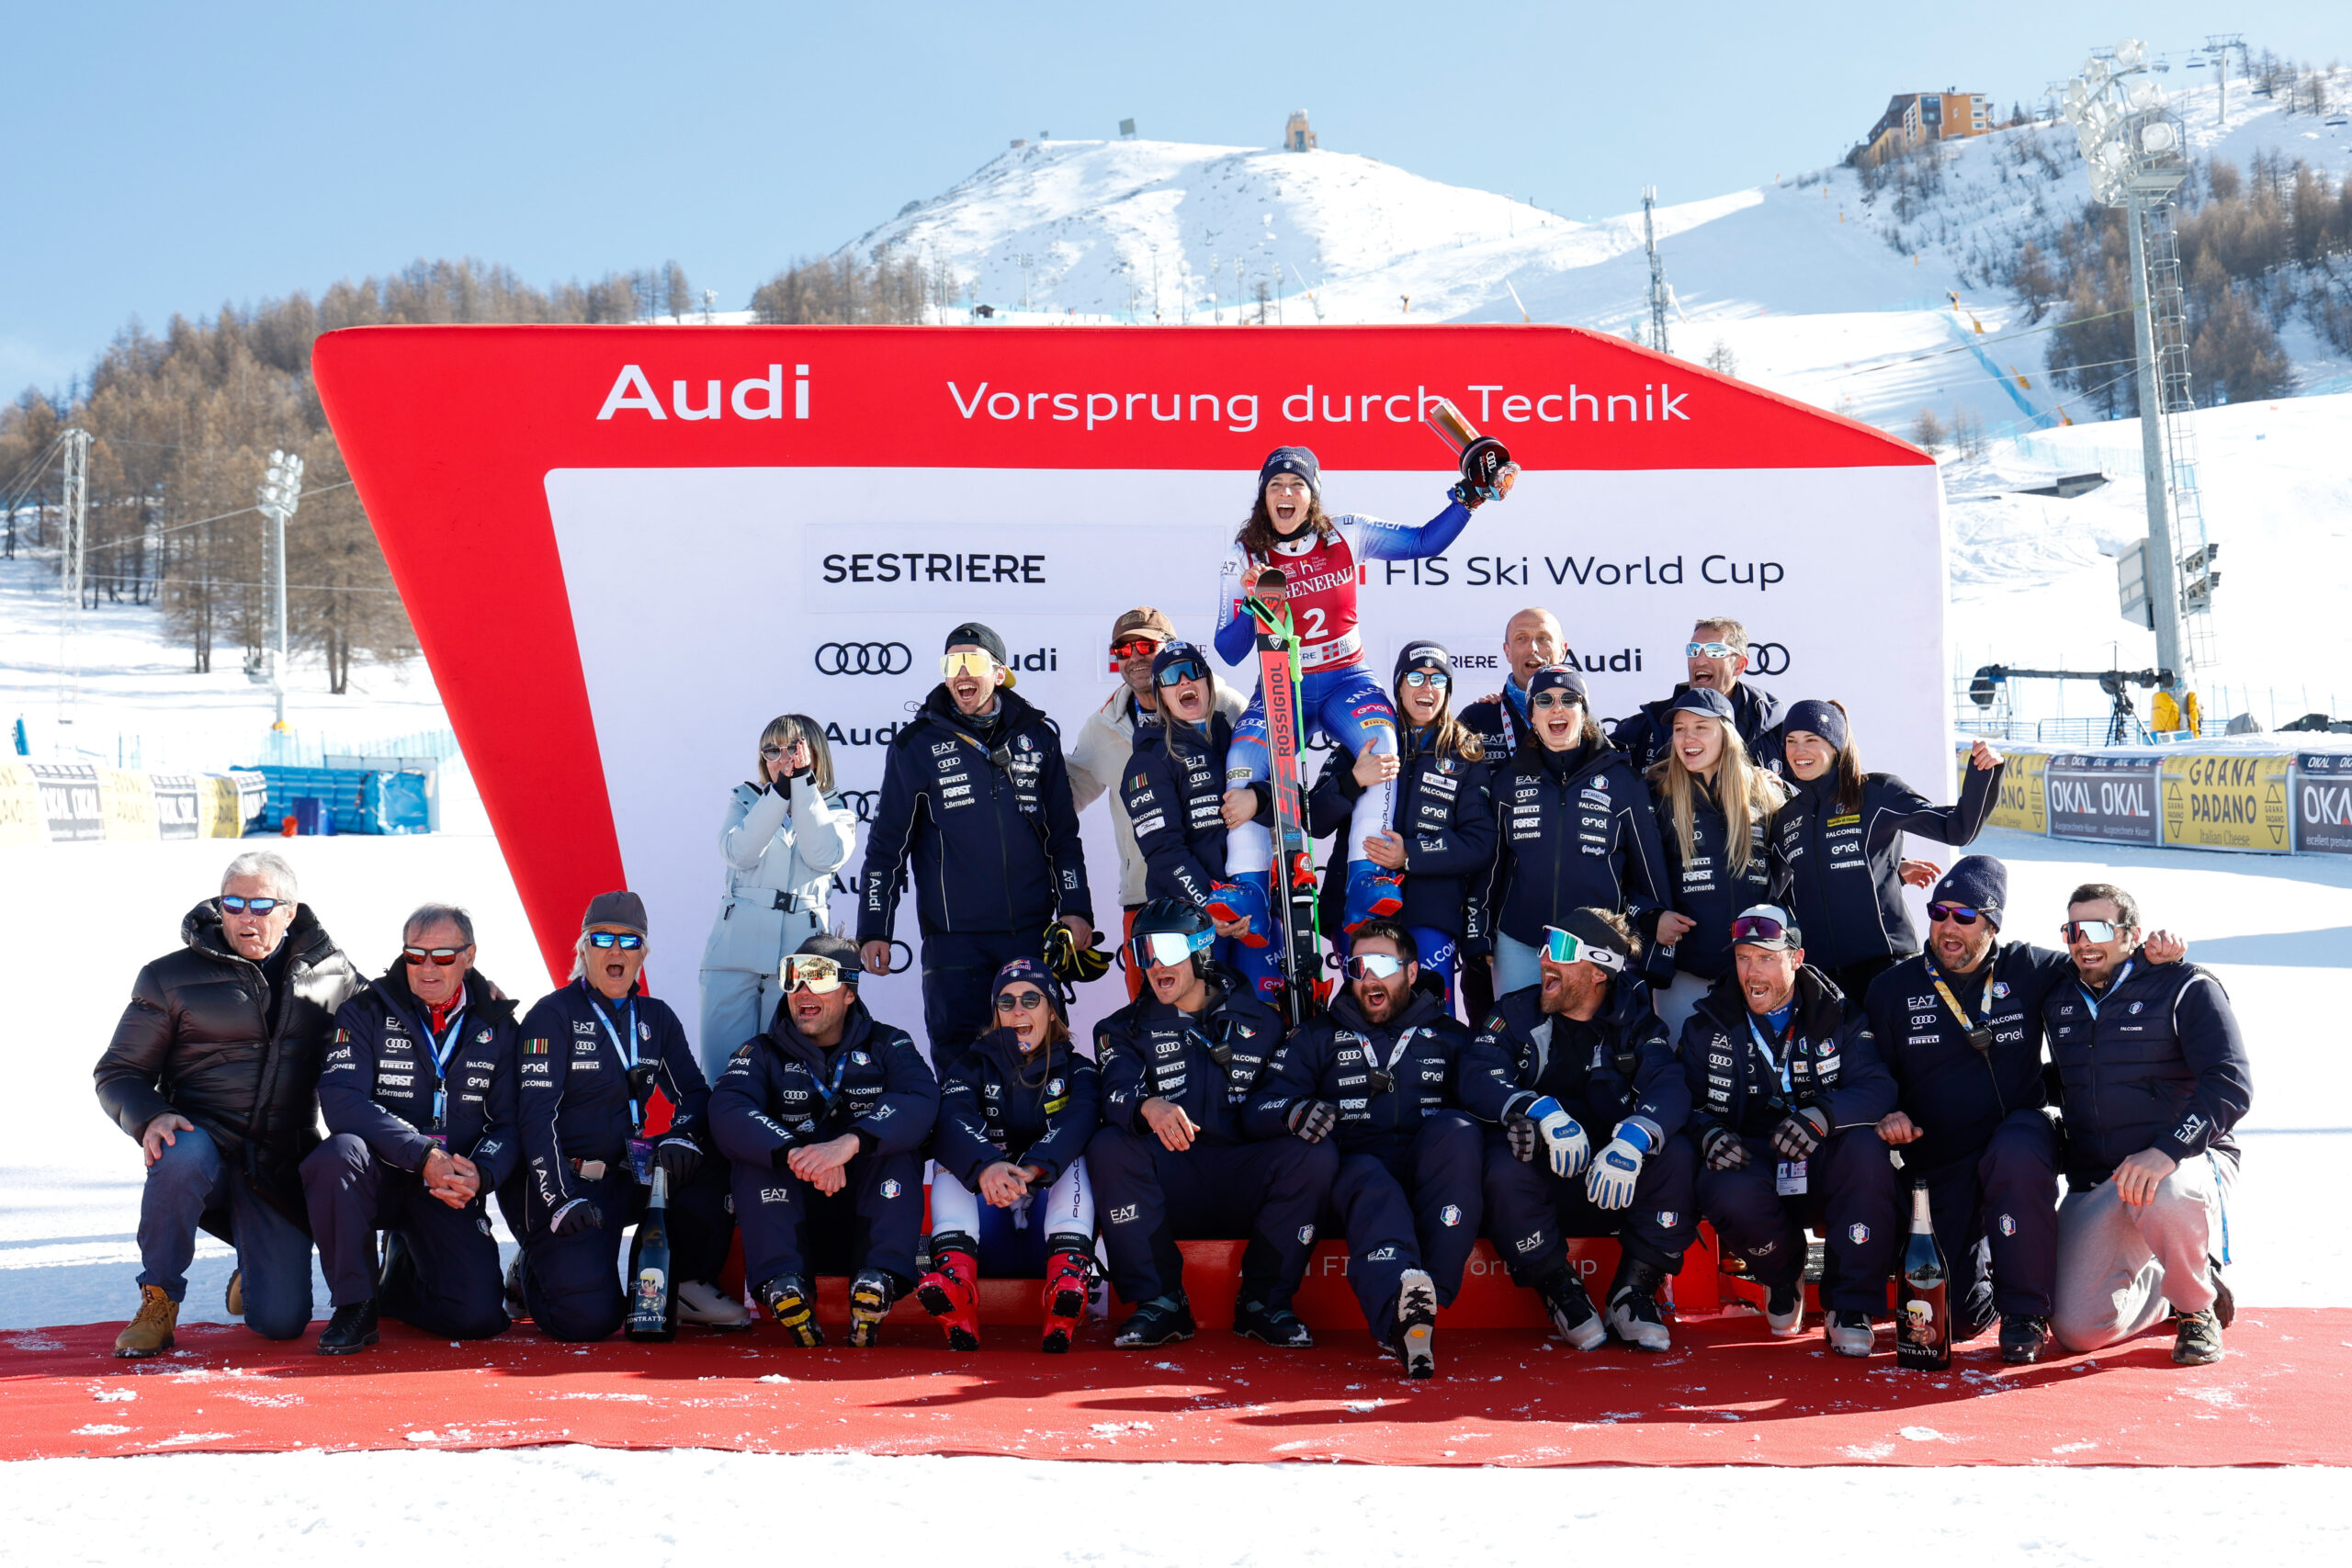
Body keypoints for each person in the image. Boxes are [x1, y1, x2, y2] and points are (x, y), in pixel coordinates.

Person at [1865, 858, 2188, 1364]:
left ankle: (2026, 1312)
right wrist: (1887, 1111)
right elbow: (1871, 1070)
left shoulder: (2031, 968)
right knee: (1959, 1320)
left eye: (1964, 916)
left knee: (2017, 1148)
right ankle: (2002, 1264)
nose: (1948, 926)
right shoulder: (1892, 988)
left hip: (2019, 1139)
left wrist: (2154, 956)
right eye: (1939, 912)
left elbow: (2100, 964)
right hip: (1942, 1154)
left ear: (1992, 924)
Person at [1215, 445, 1510, 936]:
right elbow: (1229, 650)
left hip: (1345, 679)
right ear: (1263, 496)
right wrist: (1251, 603)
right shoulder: (1243, 554)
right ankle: (1248, 887)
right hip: (1283, 687)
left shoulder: (1344, 533)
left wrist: (1469, 499)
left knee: (1382, 744)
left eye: (1297, 485)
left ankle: (1366, 879)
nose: (1286, 494)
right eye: (1275, 485)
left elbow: (1422, 543)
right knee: (1242, 760)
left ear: (1312, 495)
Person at [99, 852, 364, 1357]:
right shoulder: (168, 978)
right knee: (177, 1152)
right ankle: (158, 1301)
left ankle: (255, 1260)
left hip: (278, 1162)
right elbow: (118, 1071)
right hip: (204, 1147)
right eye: (233, 904)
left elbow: (391, 1019)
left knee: (281, 1323)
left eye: (261, 905)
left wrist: (474, 994)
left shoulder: (331, 974)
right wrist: (151, 1116)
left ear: (289, 911)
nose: (246, 916)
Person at [1086, 898, 1339, 1348]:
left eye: (1167, 948)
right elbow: (1114, 1091)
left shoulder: (1263, 1020)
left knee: (1313, 1152)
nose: (1155, 964)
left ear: (1201, 950)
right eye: (1144, 951)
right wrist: (1148, 1106)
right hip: (1171, 1182)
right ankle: (1160, 1302)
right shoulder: (1120, 1028)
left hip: (1243, 1177)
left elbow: (1269, 1102)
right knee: (1109, 1144)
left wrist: (1291, 1112)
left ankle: (1264, 1303)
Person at [1242, 922, 1482, 1378]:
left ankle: (1427, 1294)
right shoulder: (1316, 1035)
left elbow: (1487, 1101)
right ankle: (1401, 1306)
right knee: (1368, 1175)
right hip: (1354, 1179)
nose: (1369, 977)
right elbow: (1257, 1107)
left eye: (1382, 965)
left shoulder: (1452, 1036)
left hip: (1430, 1178)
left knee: (1460, 1129)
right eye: (1357, 966)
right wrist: (1293, 1111)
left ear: (1411, 972)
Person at [858, 621, 1095, 1071]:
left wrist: (1076, 907)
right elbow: (887, 846)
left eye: (972, 662)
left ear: (1000, 673)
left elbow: (1063, 835)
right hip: (954, 943)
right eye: (951, 664)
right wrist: (874, 928)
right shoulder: (916, 744)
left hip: (1029, 935)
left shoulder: (1038, 737)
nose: (962, 674)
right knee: (960, 1066)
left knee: (1040, 1060)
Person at [1460, 909, 1697, 1352]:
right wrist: (1536, 1109)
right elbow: (1476, 1073)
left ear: (1599, 971)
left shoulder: (1637, 1021)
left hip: (1616, 1184)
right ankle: (1559, 1287)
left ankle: (1635, 1291)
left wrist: (1633, 1140)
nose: (1545, 957)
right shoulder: (1515, 1011)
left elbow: (1669, 1085)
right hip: (1544, 1190)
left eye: (1562, 948)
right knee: (1503, 1156)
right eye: (1546, 944)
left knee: (1677, 1152)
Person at [513, 892, 739, 1342]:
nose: (615, 950)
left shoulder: (656, 1017)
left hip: (629, 1173)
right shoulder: (552, 1016)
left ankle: (684, 1283)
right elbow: (535, 1119)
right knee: (589, 1321)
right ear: (583, 949)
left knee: (716, 1144)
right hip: (568, 1184)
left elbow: (694, 1094)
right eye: (602, 939)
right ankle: (527, 1271)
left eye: (629, 941)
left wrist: (681, 1135)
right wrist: (559, 1200)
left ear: (642, 954)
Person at [1680, 903, 1900, 1357]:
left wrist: (1821, 1116)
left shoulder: (1839, 1013)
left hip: (1823, 1158)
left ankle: (1851, 1304)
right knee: (1720, 1183)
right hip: (1753, 1157)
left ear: (1796, 959)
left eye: (1766, 957)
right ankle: (1782, 1272)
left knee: (1866, 1147)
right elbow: (1684, 1101)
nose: (1751, 971)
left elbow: (1878, 1086)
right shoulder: (1705, 1024)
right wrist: (1707, 1133)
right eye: (1743, 957)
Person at [2042, 884, 2249, 1365]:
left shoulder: (2184, 984)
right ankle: (2167, 1290)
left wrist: (2167, 1150)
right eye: (2072, 930)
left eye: (2097, 928)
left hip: (2183, 1161)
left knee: (2166, 1189)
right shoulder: (2058, 993)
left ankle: (2196, 1308)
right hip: (2101, 1179)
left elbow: (2231, 1082)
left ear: (2132, 935)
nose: (2082, 941)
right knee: (2077, 1329)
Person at [300, 903, 518, 1354]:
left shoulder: (498, 1024)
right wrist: (421, 1153)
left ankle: (396, 1284)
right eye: (415, 955)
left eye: (442, 956)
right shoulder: (365, 1010)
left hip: (447, 1184)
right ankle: (355, 1304)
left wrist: (480, 1173)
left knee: (479, 1318)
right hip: (377, 1174)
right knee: (335, 1156)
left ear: (469, 956)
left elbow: (509, 1122)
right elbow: (341, 1099)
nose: (426, 968)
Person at [710, 933, 940, 1347]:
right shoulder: (760, 1051)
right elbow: (728, 1109)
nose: (802, 991)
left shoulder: (888, 1043)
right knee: (754, 1154)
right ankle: (785, 1286)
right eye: (793, 978)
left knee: (901, 1147)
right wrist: (796, 1153)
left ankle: (878, 1281)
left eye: (817, 978)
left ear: (850, 992)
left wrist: (850, 1143)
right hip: (790, 1219)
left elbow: (921, 1099)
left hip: (867, 1219)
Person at [915, 957, 1099, 1353]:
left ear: (1052, 1011)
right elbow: (951, 1118)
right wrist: (987, 1166)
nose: (1018, 1010)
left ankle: (1067, 1283)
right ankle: (957, 1286)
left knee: (1080, 1152)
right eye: (1006, 1001)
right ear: (996, 1012)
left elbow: (1081, 1119)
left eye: (1031, 999)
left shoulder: (1079, 1069)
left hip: (1047, 1238)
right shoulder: (969, 1066)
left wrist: (1033, 1168)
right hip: (984, 1234)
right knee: (950, 1156)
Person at [1771, 698, 2003, 1007]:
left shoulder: (1875, 793)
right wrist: (1895, 872)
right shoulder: (1785, 816)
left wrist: (1984, 773)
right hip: (1822, 978)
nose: (1799, 750)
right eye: (1791, 741)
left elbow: (1957, 829)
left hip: (1887, 968)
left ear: (1836, 746)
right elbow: (1781, 894)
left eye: (1811, 740)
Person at [1304, 641, 1497, 1010]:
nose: (1427, 688)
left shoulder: (1465, 753)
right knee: (1365, 1016)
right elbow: (1314, 820)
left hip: (1429, 911)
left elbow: (1479, 842)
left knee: (1432, 1020)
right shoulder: (1362, 739)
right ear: (1399, 685)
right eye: (1416, 677)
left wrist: (1411, 854)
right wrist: (1352, 781)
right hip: (1359, 911)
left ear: (1448, 690)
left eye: (1437, 679)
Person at [1067, 606, 1247, 1001]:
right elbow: (1065, 798)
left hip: (1240, 895)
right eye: (1123, 649)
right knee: (1156, 1020)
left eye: (1146, 645)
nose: (1134, 656)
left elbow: (1271, 775)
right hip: (1148, 901)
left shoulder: (1225, 705)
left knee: (1249, 1014)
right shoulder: (1103, 726)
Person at [1476, 664, 1671, 998]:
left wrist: (1659, 950)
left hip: (1596, 944)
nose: (1557, 708)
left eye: (1569, 699)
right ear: (1532, 716)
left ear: (1584, 711)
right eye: (1544, 700)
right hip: (1520, 941)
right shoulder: (1507, 780)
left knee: (1591, 1033)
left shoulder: (1623, 780)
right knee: (1521, 1031)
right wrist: (1478, 935)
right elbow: (1490, 867)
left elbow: (1649, 868)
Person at [697, 713, 857, 1080]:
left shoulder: (837, 812)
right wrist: (779, 794)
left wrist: (801, 785)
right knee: (722, 1075)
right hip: (732, 956)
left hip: (797, 965)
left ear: (815, 755)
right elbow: (739, 853)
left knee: (785, 1078)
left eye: (793, 750)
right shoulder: (744, 800)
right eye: (772, 750)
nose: (783, 759)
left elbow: (823, 855)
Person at [1120, 639, 1281, 1002]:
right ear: (1161, 695)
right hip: (1190, 923)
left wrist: (1258, 798)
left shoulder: (1239, 739)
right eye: (1171, 677)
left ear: (1208, 682)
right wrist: (1209, 905)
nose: (1184, 682)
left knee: (1263, 1015)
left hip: (1253, 910)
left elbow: (1292, 799)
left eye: (1192, 671)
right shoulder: (1150, 759)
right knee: (1202, 1022)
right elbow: (1164, 852)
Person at [1645, 686, 1791, 1036]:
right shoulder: (1656, 793)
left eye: (1701, 727)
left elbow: (1803, 854)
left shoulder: (1764, 791)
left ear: (1726, 734)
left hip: (1756, 969)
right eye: (1680, 729)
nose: (1688, 738)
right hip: (1687, 972)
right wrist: (1652, 917)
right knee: (1681, 1060)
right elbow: (1630, 872)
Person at [1611, 616, 1787, 777]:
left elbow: (1801, 787)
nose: (1700, 661)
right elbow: (1601, 758)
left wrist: (1781, 788)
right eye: (1693, 650)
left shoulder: (1771, 724)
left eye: (1715, 651)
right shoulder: (1653, 722)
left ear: (1739, 665)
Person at [1459, 606, 1566, 768]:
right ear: (1507, 651)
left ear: (1563, 651)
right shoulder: (1475, 719)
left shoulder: (1583, 722)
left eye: (1543, 638)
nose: (1533, 648)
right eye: (1521, 638)